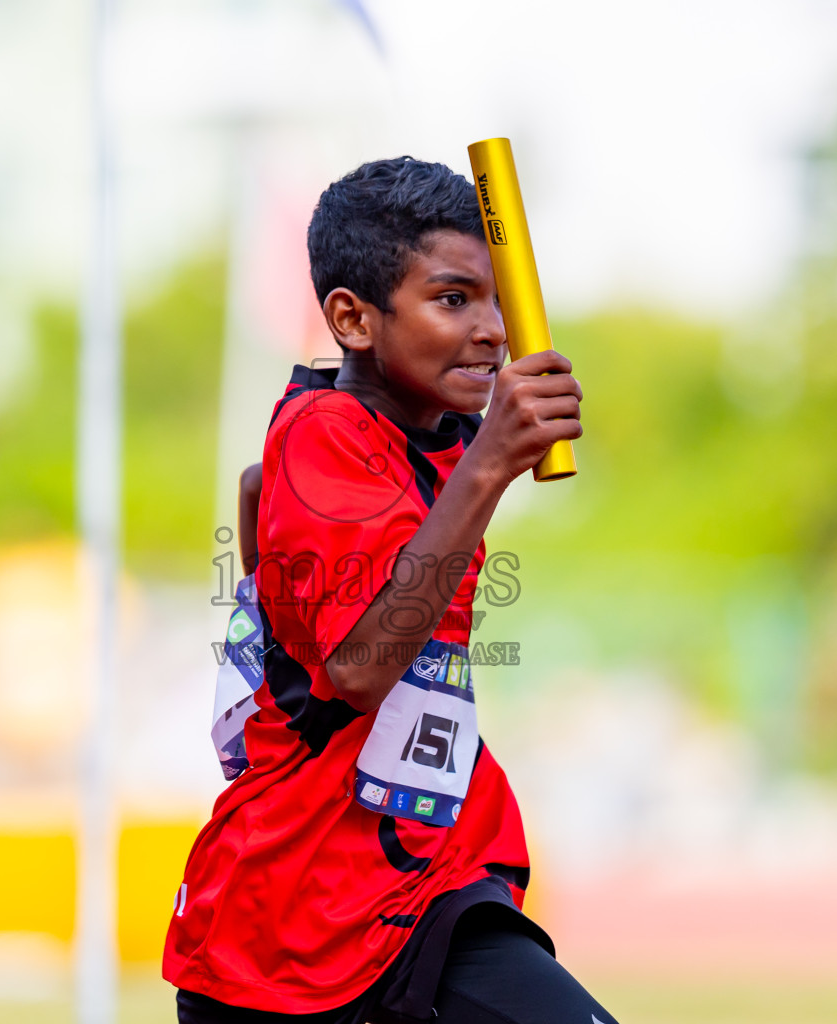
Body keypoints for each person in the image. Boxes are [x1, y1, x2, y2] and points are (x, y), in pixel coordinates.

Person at [164, 157, 610, 1024]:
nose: (490, 331)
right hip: (291, 919)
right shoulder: (326, 434)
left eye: (497, 302)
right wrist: (489, 468)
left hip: (428, 878)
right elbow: (361, 667)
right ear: (352, 319)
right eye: (453, 300)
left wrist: (476, 458)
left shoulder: (439, 439)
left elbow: (262, 491)